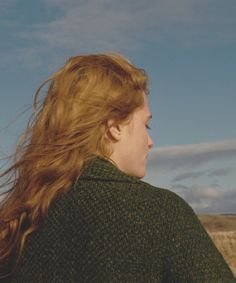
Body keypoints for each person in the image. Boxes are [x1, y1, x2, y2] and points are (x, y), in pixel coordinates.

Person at [0, 53, 235, 282]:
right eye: (146, 125)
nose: (150, 141)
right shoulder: (162, 213)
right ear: (114, 126)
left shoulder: (22, 218)